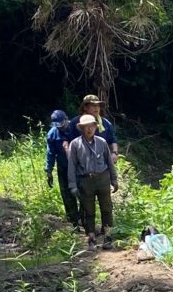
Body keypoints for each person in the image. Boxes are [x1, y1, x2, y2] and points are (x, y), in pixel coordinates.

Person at [67, 114, 118, 250]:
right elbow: (71, 166)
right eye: (86, 127)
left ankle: (108, 238)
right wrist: (72, 186)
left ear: (96, 126)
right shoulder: (75, 144)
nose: (89, 129)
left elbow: (109, 162)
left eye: (92, 126)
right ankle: (91, 239)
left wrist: (114, 179)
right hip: (85, 180)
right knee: (88, 211)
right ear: (81, 128)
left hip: (103, 178)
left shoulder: (101, 142)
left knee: (107, 209)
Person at [44, 110, 79, 230]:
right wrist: (48, 171)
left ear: (66, 120)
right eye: (57, 126)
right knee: (67, 195)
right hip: (63, 168)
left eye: (62, 125)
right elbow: (50, 153)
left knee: (83, 193)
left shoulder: (76, 129)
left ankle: (86, 220)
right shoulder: (53, 133)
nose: (61, 128)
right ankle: (74, 223)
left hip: (80, 168)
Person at [65, 94, 119, 164]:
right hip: (81, 163)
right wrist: (69, 155)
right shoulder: (75, 122)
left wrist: (114, 153)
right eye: (93, 105)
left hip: (102, 163)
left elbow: (112, 140)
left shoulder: (106, 123)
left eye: (98, 105)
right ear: (85, 107)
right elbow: (66, 141)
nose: (96, 108)